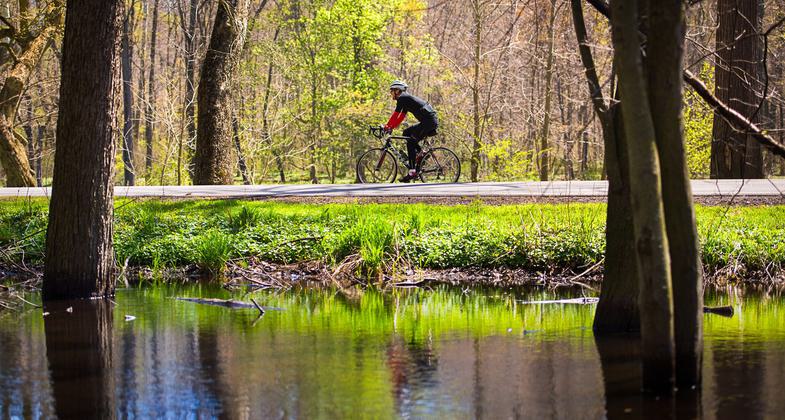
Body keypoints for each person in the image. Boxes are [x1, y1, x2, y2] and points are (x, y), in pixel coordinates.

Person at [383, 80, 439, 182]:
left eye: (392, 91)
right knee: (406, 133)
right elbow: (401, 116)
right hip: (428, 121)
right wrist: (391, 127)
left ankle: (412, 172)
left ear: (397, 90)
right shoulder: (405, 99)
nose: (391, 93)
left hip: (429, 122)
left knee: (410, 143)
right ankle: (421, 153)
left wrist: (387, 126)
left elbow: (395, 114)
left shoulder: (402, 98)